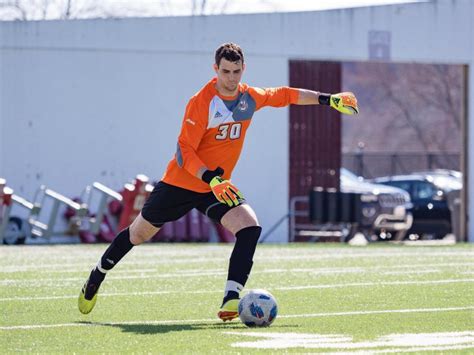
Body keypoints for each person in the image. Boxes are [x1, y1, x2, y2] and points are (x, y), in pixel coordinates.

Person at [78, 42, 359, 321]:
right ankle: (97, 274)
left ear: (243, 69)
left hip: (216, 187)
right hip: (181, 183)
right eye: (225, 71)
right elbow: (183, 152)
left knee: (250, 228)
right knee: (137, 235)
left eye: (236, 71)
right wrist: (212, 179)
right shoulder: (201, 102)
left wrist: (328, 99)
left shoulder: (249, 98)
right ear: (216, 69)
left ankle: (231, 299)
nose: (231, 78)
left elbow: (285, 95)